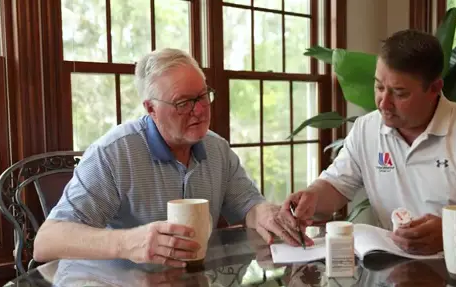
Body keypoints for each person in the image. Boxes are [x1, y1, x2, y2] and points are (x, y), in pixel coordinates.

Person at [34, 48, 305, 268]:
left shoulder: (216, 148)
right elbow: (46, 242)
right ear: (151, 108)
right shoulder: (114, 153)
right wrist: (128, 242)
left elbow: (248, 206)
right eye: (183, 103)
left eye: (202, 96)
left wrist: (264, 213)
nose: (199, 111)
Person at [282, 29, 456, 255]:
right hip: (393, 266)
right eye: (379, 87)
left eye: (400, 94)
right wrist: (311, 196)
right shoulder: (367, 128)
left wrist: (450, 233)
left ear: (435, 88)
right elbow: (336, 185)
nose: (383, 103)